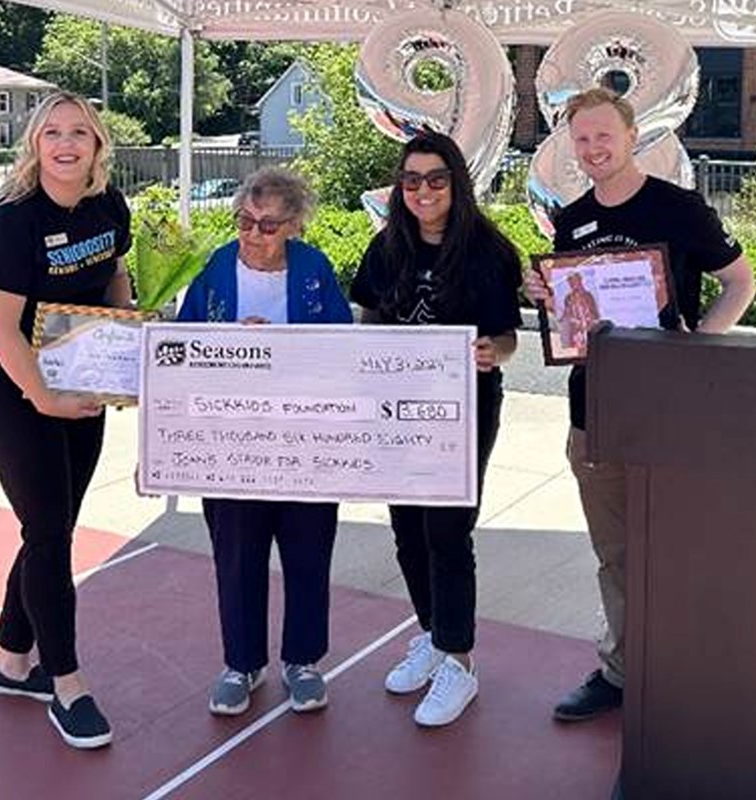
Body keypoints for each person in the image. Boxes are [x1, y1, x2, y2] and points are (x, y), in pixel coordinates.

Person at [525, 87, 756, 722]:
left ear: (632, 138)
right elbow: (574, 316)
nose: (593, 148)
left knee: (679, 546)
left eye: (604, 135)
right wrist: (545, 293)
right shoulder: (570, 220)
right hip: (594, 414)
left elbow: (740, 282)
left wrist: (696, 346)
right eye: (582, 139)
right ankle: (622, 672)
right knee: (617, 554)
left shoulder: (679, 208)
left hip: (669, 412)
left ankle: (690, 672)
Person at [0, 91, 133, 749]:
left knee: (51, 526)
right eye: (53, 133)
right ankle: (67, 683)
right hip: (15, 391)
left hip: (80, 381)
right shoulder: (13, 221)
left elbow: (115, 275)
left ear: (97, 145)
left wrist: (125, 336)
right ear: (35, 144)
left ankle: (13, 663)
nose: (66, 144)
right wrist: (42, 397)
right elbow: (1, 330)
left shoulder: (107, 204)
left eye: (79, 133)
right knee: (48, 534)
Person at [350, 132, 522, 728]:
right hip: (396, 407)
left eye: (436, 179)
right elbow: (370, 318)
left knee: (447, 531)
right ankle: (432, 633)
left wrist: (492, 352)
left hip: (464, 408)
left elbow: (508, 338)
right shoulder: (387, 246)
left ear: (456, 183)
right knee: (406, 528)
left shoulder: (488, 251)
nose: (423, 190)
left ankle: (459, 661)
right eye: (412, 179)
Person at [177, 166, 352, 716]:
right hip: (231, 441)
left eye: (268, 225)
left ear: (295, 226)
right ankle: (242, 663)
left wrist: (281, 345)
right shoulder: (214, 267)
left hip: (304, 439)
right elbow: (183, 343)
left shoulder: (314, 268)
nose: (253, 234)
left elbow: (343, 345)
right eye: (245, 221)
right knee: (236, 554)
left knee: (308, 550)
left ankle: (303, 661)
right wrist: (233, 344)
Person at [559, 271, 601, 351]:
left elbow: (595, 313)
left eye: (574, 281)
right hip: (576, 331)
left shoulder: (588, 296)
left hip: (588, 329)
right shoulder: (568, 298)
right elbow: (566, 314)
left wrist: (591, 321)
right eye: (570, 282)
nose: (572, 284)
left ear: (580, 280)